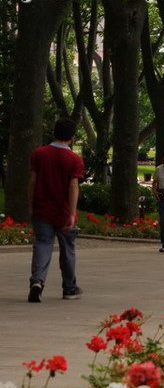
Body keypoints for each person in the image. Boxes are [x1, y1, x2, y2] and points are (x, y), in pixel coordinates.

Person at [27, 118, 85, 303]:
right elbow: (73, 186)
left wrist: (31, 204)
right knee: (67, 249)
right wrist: (72, 213)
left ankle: (37, 281)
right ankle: (69, 288)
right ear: (72, 138)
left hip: (42, 209)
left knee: (42, 244)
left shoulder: (39, 153)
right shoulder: (74, 160)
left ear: (54, 133)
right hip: (63, 211)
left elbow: (33, 182)